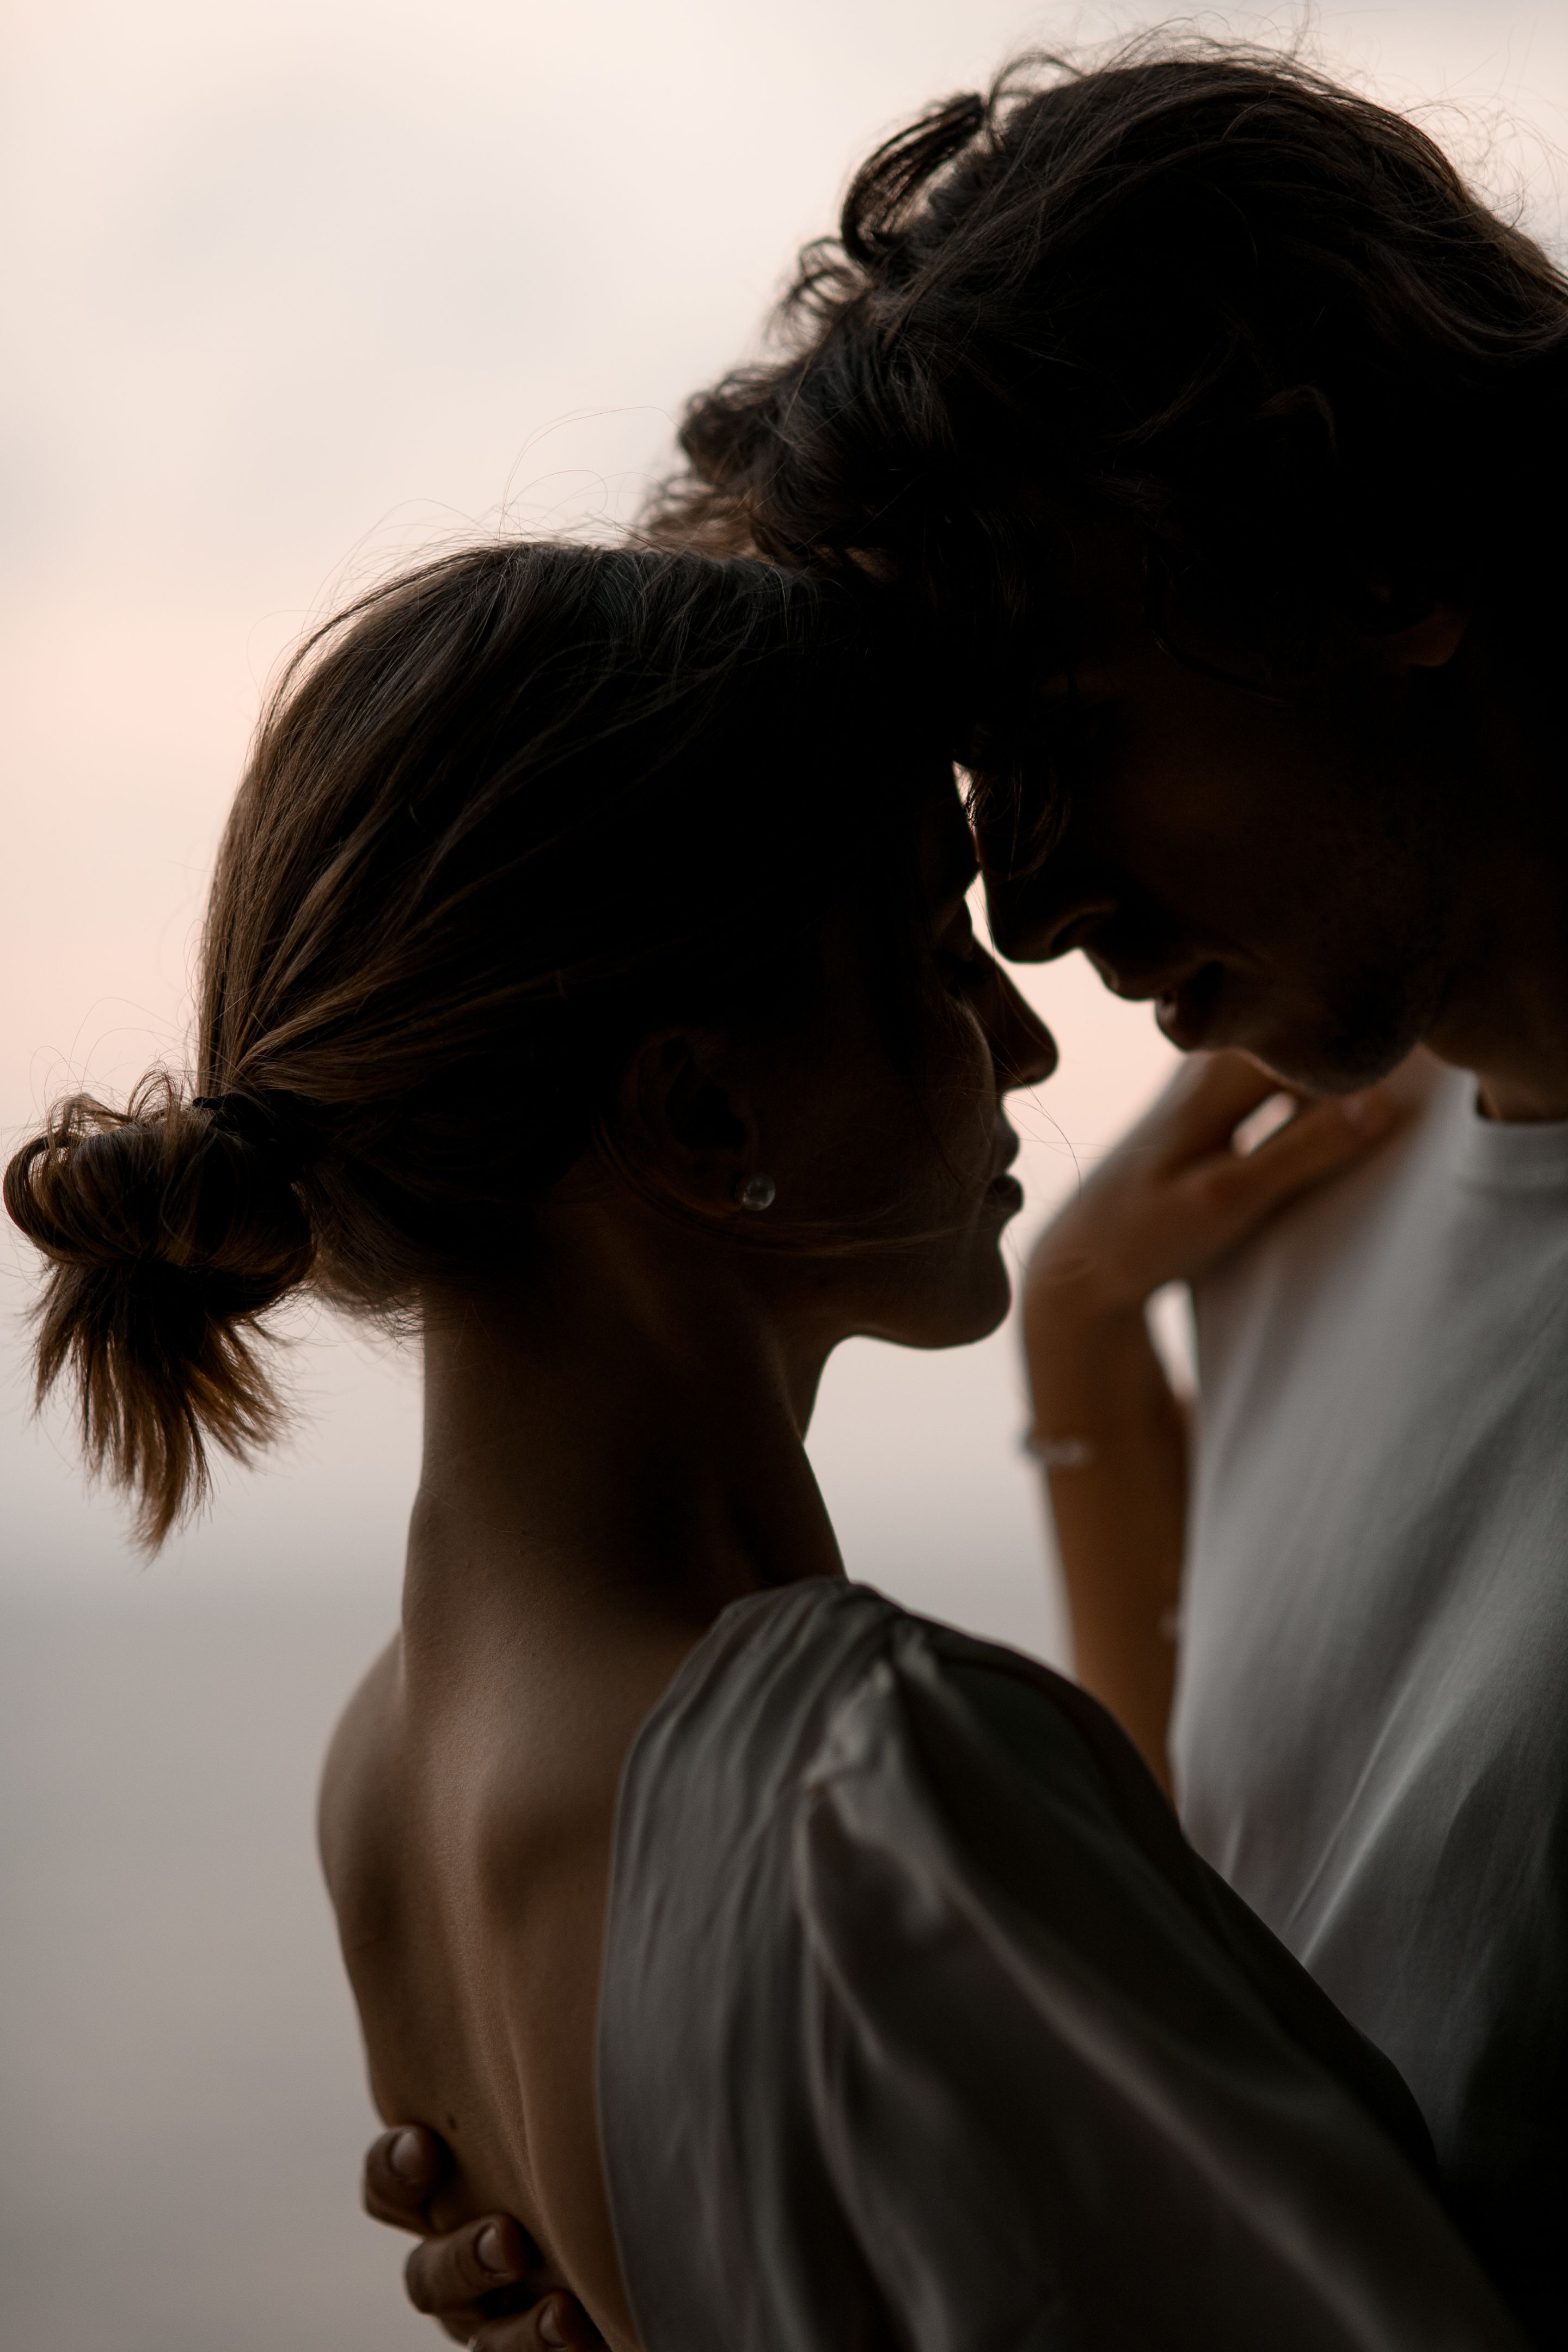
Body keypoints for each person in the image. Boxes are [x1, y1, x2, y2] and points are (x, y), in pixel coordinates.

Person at [374, 38, 1568, 2346]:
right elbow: (1259, 2025)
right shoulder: (1280, 1235)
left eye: (1056, 726)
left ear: (1380, 548)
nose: (1021, 914)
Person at [5, 541, 1523, 2350]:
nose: (1032, 1038)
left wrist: (1093, 1354)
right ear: (703, 1104)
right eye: (937, 951)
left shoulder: (388, 1777)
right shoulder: (868, 1790)